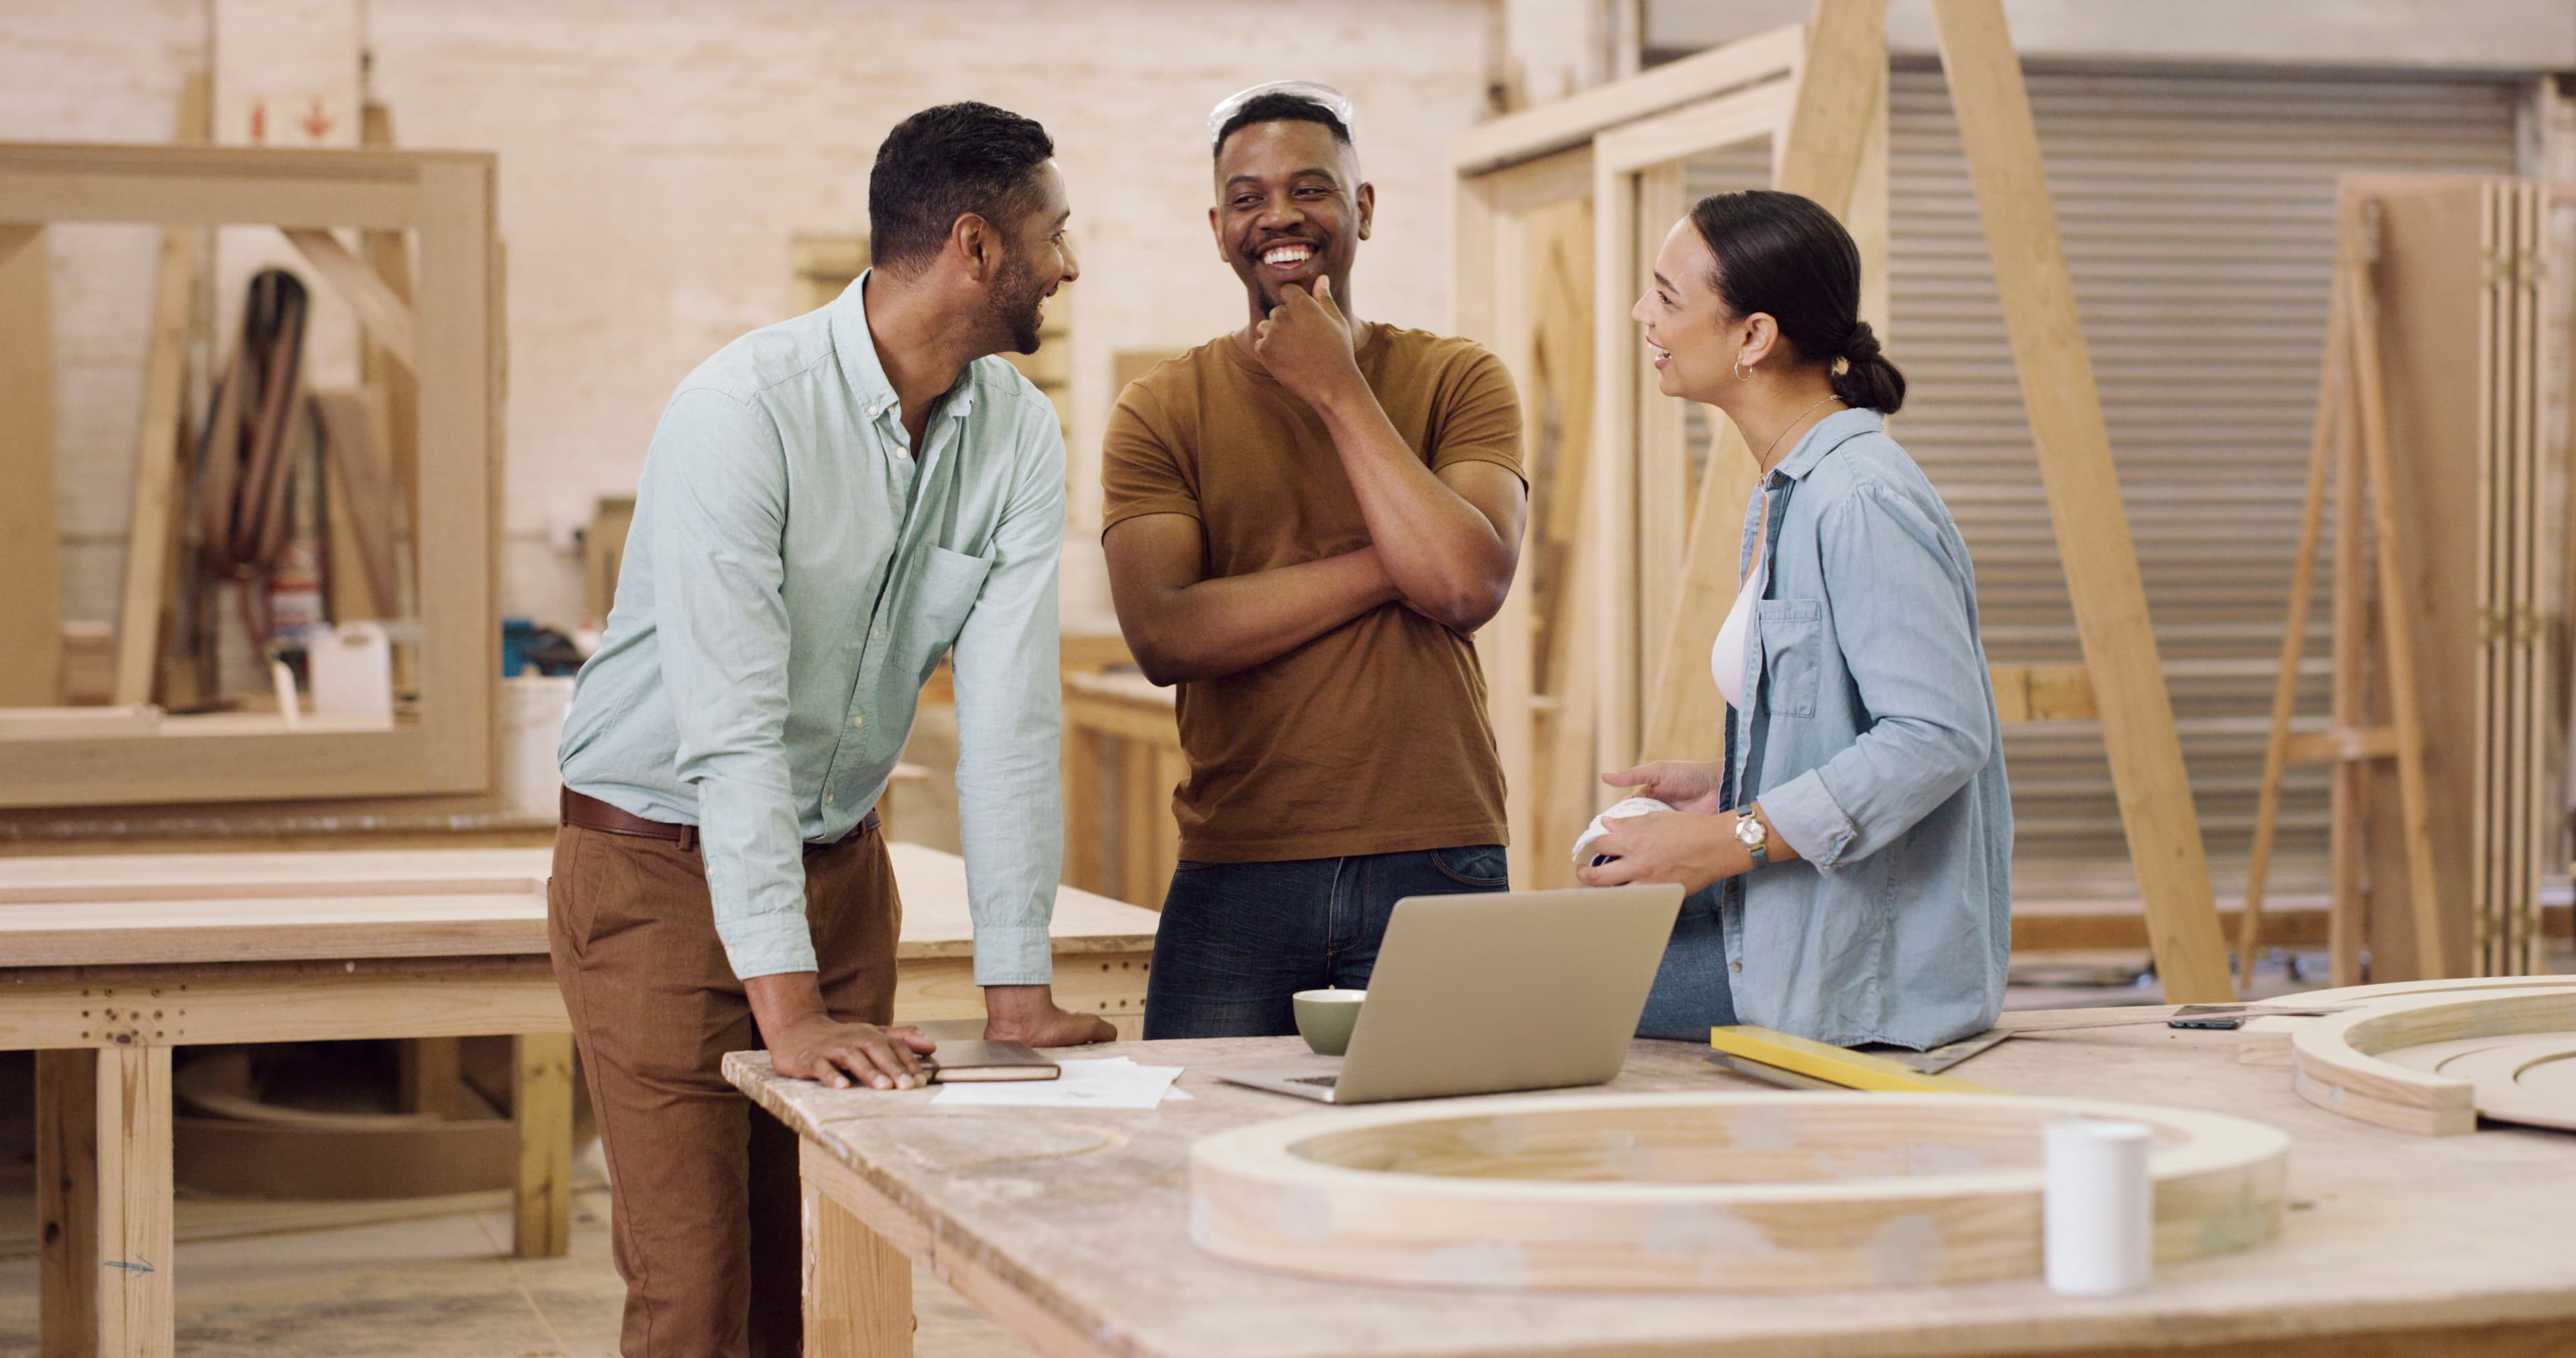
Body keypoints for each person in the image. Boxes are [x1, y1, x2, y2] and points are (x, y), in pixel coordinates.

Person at [548, 102, 1114, 1358]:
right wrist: (790, 1013)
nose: (1070, 267)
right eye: (1055, 236)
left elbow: (1015, 720)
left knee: (831, 1283)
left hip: (842, 870)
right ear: (977, 246)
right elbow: (735, 733)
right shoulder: (741, 410)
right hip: (655, 872)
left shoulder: (1014, 431)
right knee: (701, 1296)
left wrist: (1015, 993)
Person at [1101, 82, 1529, 1039]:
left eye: (1310, 189)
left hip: (1438, 854)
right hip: (1239, 862)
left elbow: (1466, 583)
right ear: (1219, 229)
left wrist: (1339, 390)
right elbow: (1167, 632)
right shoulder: (1161, 409)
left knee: (1435, 1162)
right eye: (1248, 199)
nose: (1280, 217)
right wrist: (1398, 558)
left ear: (1363, 208)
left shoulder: (1456, 378)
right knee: (1201, 1166)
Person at [1577, 188, 2011, 1052]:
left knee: (1527, 987)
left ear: (1753, 337)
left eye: (1666, 296)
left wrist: (1727, 838)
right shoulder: (1791, 491)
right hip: (1786, 934)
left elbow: (1936, 735)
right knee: (1552, 939)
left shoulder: (1859, 499)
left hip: (1853, 976)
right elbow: (1850, 723)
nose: (1641, 313)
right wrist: (1727, 781)